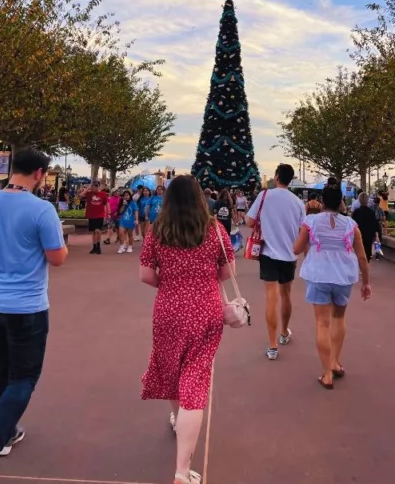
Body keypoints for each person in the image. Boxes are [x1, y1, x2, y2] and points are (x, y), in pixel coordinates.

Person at [0, 149, 69, 483]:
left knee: (3, 366)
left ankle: (6, 433)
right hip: (26, 307)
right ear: (39, 173)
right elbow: (58, 258)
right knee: (24, 377)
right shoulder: (42, 210)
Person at [139, 175, 236, 484]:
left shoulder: (158, 231)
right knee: (195, 379)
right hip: (206, 311)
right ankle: (182, 470)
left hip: (167, 310)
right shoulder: (215, 230)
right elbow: (227, 272)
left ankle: (177, 415)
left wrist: (169, 283)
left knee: (171, 370)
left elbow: (145, 275)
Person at [292, 183, 371, 389]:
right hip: (344, 276)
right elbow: (362, 257)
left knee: (322, 324)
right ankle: (335, 362)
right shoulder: (351, 225)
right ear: (341, 202)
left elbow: (296, 249)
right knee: (339, 319)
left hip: (319, 275)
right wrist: (366, 283)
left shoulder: (310, 222)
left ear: (323, 201)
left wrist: (309, 242)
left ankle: (326, 374)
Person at [246, 164, 305, 360]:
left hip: (268, 253)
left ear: (277, 176)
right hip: (289, 254)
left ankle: (272, 346)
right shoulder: (297, 202)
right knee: (286, 294)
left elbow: (249, 221)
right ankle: (284, 332)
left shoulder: (264, 196)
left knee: (271, 297)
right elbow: (302, 231)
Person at [351, 193, 382, 260]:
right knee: (367, 254)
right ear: (367, 200)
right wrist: (376, 236)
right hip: (368, 236)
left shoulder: (356, 212)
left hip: (359, 236)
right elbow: (375, 225)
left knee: (358, 255)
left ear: (359, 200)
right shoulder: (371, 212)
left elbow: (352, 225)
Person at [83, 182, 110, 255]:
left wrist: (108, 213)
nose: (95, 188)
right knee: (93, 232)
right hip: (91, 215)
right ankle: (94, 247)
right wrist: (88, 188)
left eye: (97, 186)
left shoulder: (103, 194)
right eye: (94, 186)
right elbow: (80, 195)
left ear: (99, 186)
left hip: (99, 215)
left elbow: (107, 203)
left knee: (98, 231)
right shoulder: (89, 193)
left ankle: (98, 247)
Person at [117, 188, 138, 254]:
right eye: (125, 195)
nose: (126, 196)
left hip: (131, 220)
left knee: (130, 235)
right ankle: (121, 247)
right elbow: (120, 212)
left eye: (127, 195)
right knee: (121, 233)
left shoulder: (133, 203)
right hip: (123, 220)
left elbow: (136, 211)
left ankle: (130, 246)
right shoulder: (122, 203)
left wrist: (136, 219)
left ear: (130, 196)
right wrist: (123, 205)